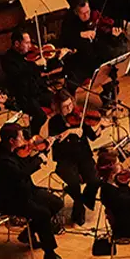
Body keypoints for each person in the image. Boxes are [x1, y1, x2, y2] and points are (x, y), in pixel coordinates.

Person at [0, 124, 71, 259]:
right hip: (11, 199)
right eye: (21, 137)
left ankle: (28, 233)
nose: (25, 140)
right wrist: (39, 160)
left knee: (56, 202)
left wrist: (44, 149)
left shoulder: (14, 151)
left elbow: (25, 163)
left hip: (27, 191)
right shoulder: (1, 159)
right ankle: (50, 255)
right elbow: (21, 174)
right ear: (11, 140)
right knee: (43, 214)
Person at [47, 93, 102, 226]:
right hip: (65, 160)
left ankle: (82, 201)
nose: (69, 109)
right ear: (58, 108)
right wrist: (69, 132)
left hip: (84, 157)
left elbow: (93, 137)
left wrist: (101, 126)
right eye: (65, 107)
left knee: (95, 180)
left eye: (70, 104)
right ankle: (79, 208)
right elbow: (52, 141)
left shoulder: (79, 117)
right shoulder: (54, 122)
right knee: (74, 183)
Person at [0, 31, 53, 132]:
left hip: (36, 90)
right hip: (22, 95)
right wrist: (35, 64)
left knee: (57, 101)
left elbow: (36, 73)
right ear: (17, 44)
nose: (30, 46)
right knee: (41, 117)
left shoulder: (27, 56)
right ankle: (32, 135)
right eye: (27, 43)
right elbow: (20, 73)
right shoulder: (7, 59)